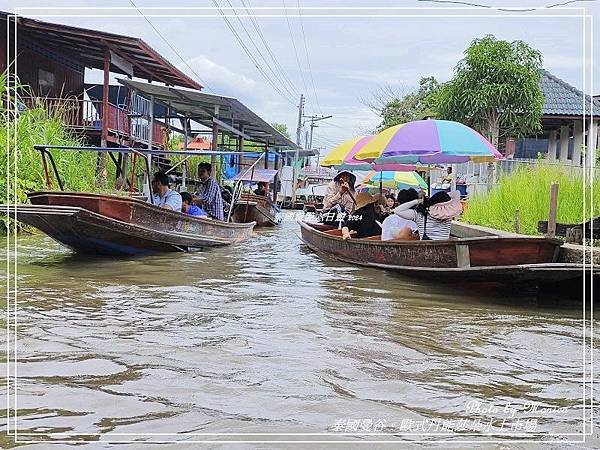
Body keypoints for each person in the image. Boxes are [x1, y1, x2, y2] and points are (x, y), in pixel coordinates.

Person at [393, 190, 463, 240]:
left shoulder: (419, 216)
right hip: (444, 253)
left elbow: (397, 210)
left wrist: (417, 201)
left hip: (425, 253)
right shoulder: (448, 216)